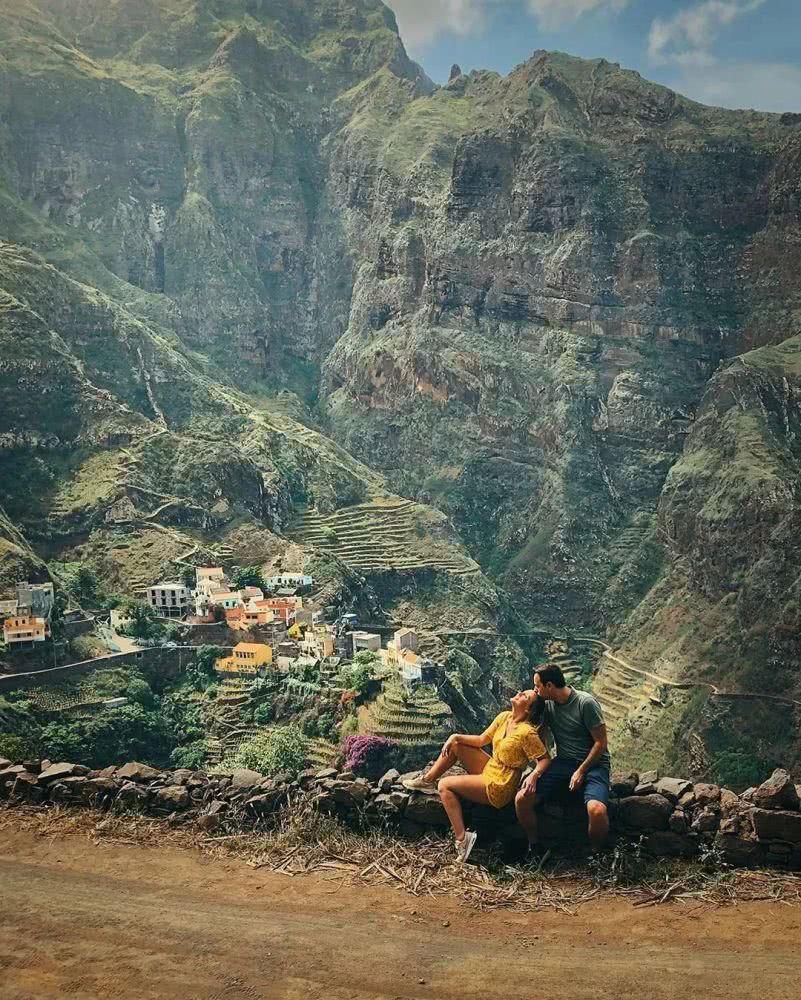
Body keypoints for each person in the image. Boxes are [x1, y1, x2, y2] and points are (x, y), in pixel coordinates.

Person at [403, 690, 551, 863]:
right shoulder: (505, 717)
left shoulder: (527, 733)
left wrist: (534, 774)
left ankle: (462, 839)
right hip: (491, 767)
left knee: (444, 785)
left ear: (528, 710)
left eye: (525, 696)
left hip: (500, 783)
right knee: (457, 745)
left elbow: (544, 759)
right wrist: (455, 736)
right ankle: (427, 780)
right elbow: (482, 740)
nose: (519, 693)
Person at [515, 665, 610, 852]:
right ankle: (534, 845)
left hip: (594, 765)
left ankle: (596, 853)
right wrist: (536, 770)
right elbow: (538, 734)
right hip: (564, 763)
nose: (535, 690)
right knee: (522, 799)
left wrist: (581, 771)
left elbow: (601, 742)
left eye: (537, 686)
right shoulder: (547, 704)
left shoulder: (585, 703)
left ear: (549, 685)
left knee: (596, 810)